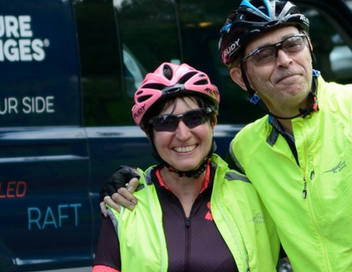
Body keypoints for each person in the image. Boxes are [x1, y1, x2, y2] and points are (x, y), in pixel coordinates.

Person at [100, 0, 352, 272]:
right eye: (265, 55)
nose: (284, 60)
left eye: (292, 44)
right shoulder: (246, 149)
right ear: (242, 77)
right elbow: (207, 185)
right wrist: (126, 181)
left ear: (310, 48)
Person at [93, 62, 280, 272]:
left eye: (194, 118)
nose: (182, 135)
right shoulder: (124, 206)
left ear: (213, 122)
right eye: (165, 122)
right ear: (149, 133)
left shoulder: (256, 194)